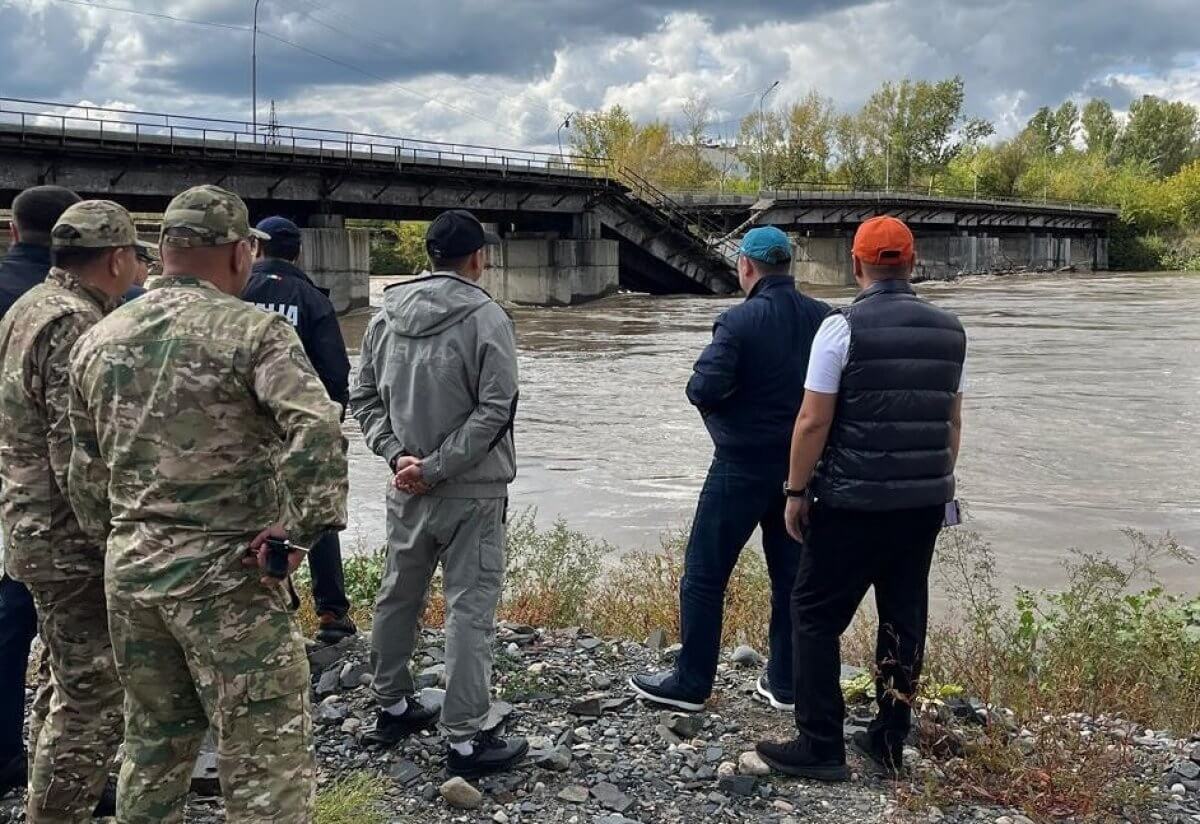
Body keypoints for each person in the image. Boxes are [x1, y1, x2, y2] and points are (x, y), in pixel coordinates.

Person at [67, 185, 348, 822]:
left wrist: (116, 535)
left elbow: (80, 469)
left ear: (162, 251)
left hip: (131, 570)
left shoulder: (100, 336)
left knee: (154, 741)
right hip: (230, 578)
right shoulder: (255, 332)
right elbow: (320, 430)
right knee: (264, 753)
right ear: (242, 253)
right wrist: (297, 533)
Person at [755, 216, 966, 781]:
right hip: (923, 506)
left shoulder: (841, 327)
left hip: (852, 502)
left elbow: (811, 420)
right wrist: (934, 484)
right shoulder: (951, 331)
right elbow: (952, 423)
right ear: (913, 262)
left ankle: (820, 743)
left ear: (856, 264)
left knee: (814, 615)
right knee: (903, 618)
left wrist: (795, 491)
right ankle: (891, 741)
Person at [350, 209, 526, 777]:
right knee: (469, 609)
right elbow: (497, 409)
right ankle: (465, 740)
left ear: (429, 257)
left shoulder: (385, 316)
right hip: (471, 490)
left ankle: (393, 703)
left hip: (405, 486)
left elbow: (363, 398)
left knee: (397, 593)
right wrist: (437, 466)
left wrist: (397, 457)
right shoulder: (487, 317)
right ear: (479, 259)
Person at [630, 226, 830, 713]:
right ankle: (785, 682)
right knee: (791, 576)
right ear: (789, 266)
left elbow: (702, 388)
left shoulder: (738, 323)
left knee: (705, 572)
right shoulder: (826, 319)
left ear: (746, 267)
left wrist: (727, 421)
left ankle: (692, 682)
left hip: (739, 467)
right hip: (800, 474)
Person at [0, 200, 150, 821]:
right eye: (139, 255)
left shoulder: (30, 305)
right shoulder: (73, 323)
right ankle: (58, 808)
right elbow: (79, 452)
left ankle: (63, 787)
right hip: (68, 537)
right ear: (116, 258)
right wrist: (115, 539)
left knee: (67, 680)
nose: (141, 267)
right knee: (93, 695)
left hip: (32, 525)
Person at [0, 185, 81, 801]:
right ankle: (67, 773)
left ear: (12, 230)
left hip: (8, 477)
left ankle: (6, 756)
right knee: (67, 635)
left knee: (7, 621)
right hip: (55, 501)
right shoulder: (82, 310)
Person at [242, 216, 356, 645]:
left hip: (239, 433)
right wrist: (328, 427)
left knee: (246, 514)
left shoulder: (233, 294)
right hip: (298, 426)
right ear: (298, 253)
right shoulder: (311, 299)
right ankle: (331, 614)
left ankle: (257, 608)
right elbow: (335, 374)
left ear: (255, 249)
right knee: (314, 513)